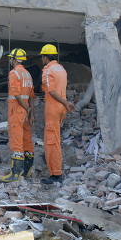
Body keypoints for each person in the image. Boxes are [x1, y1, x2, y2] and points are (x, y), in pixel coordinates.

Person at [40, 44, 75, 184]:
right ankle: (49, 157)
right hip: (61, 107)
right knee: (55, 137)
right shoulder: (61, 69)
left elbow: (51, 91)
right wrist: (65, 103)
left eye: (42, 57)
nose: (42, 60)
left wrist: (66, 103)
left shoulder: (48, 71)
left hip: (54, 106)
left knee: (51, 140)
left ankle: (55, 174)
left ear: (45, 57)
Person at [0, 49, 36, 182]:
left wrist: (26, 108)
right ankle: (27, 170)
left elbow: (16, 94)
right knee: (27, 139)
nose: (9, 60)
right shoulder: (27, 74)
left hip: (17, 110)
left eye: (10, 58)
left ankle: (15, 173)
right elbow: (32, 96)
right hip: (26, 112)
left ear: (14, 59)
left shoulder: (14, 73)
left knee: (16, 141)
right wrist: (30, 113)